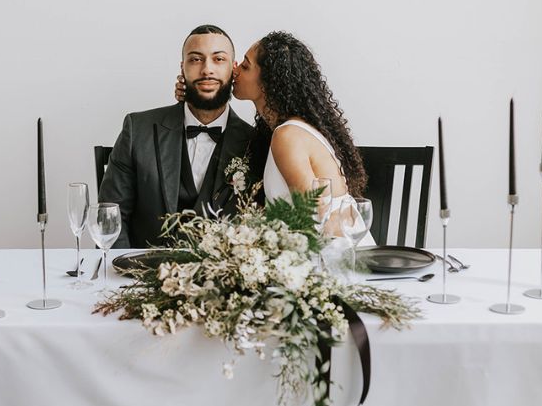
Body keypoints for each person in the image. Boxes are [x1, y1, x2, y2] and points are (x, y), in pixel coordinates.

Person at [100, 24, 254, 249]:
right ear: (183, 68)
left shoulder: (255, 142)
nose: (207, 70)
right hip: (142, 275)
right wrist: (129, 274)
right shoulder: (137, 130)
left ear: (234, 68)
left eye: (218, 59)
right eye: (195, 59)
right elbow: (110, 217)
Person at [232, 31, 373, 242]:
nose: (235, 70)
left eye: (245, 66)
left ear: (268, 81)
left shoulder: (288, 135)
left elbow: (312, 219)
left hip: (340, 259)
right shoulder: (284, 130)